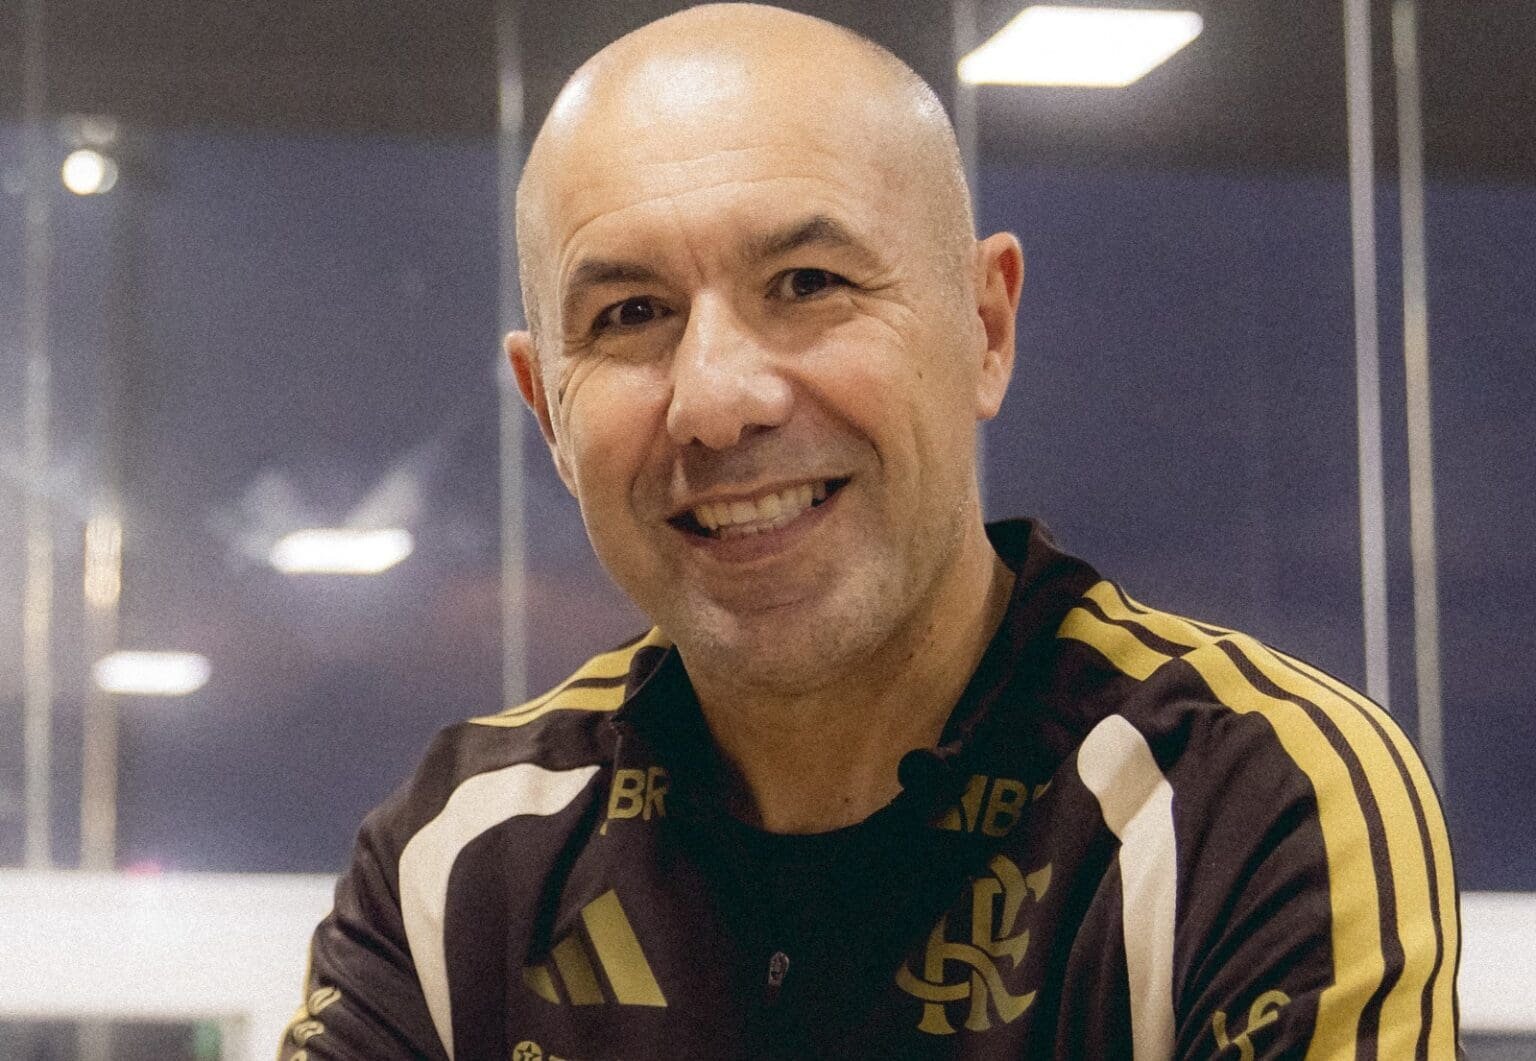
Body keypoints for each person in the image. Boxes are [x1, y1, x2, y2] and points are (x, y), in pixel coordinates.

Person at [279, 5, 1459, 1058]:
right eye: (631, 313)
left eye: (808, 282)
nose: (717, 398)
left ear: (986, 328)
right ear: (547, 411)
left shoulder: (1238, 799)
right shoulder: (461, 863)